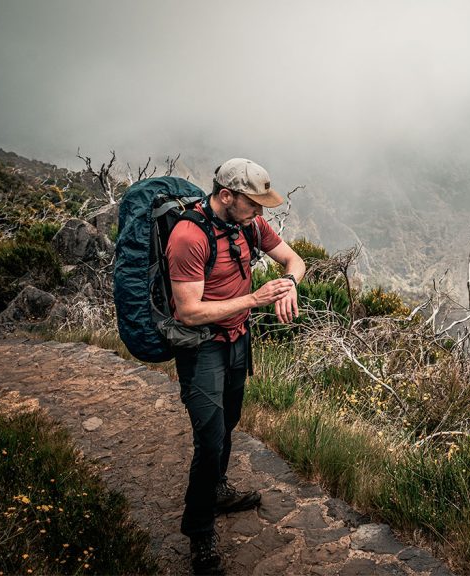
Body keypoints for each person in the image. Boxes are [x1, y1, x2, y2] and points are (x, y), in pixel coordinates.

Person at [165, 158, 305, 574]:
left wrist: (288, 286)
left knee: (229, 422)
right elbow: (188, 312)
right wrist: (254, 300)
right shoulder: (188, 236)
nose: (261, 213)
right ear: (227, 196)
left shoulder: (250, 226)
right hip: (202, 347)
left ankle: (218, 489)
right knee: (209, 438)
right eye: (253, 204)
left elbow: (294, 260)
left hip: (237, 342)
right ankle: (199, 531)